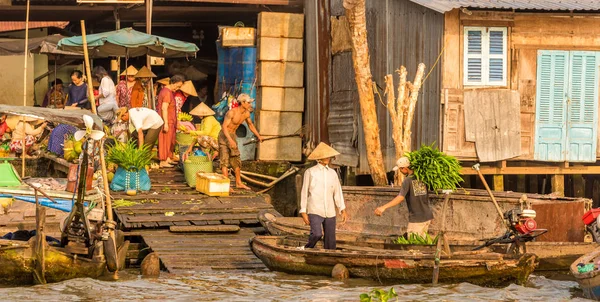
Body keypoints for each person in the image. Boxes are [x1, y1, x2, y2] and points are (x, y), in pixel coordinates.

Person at [299, 142, 347, 250]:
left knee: (330, 240)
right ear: (319, 158)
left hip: (330, 211)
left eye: (328, 156)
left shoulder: (332, 173)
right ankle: (307, 248)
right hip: (315, 209)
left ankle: (330, 258)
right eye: (326, 156)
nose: (328, 158)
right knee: (317, 234)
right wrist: (303, 211)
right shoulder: (310, 172)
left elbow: (337, 192)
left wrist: (342, 208)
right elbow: (304, 192)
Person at [374, 156, 434, 237]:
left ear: (405, 168)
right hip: (427, 216)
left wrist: (383, 207)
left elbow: (400, 197)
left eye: (400, 169)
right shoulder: (422, 177)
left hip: (417, 219)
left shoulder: (408, 180)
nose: (400, 171)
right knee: (421, 244)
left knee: (413, 247)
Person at [219, 93, 262, 190]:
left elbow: (250, 125)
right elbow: (224, 127)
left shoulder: (246, 113)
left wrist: (258, 135)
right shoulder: (231, 113)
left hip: (233, 136)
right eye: (248, 102)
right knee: (225, 160)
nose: (250, 105)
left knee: (236, 159)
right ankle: (226, 185)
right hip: (224, 136)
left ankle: (238, 182)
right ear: (242, 103)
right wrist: (229, 140)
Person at [157, 74, 185, 168]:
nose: (177, 89)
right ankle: (163, 160)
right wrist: (165, 123)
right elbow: (164, 108)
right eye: (178, 86)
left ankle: (168, 158)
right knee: (165, 140)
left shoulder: (169, 92)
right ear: (174, 83)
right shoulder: (166, 92)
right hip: (167, 120)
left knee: (170, 141)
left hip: (171, 121)